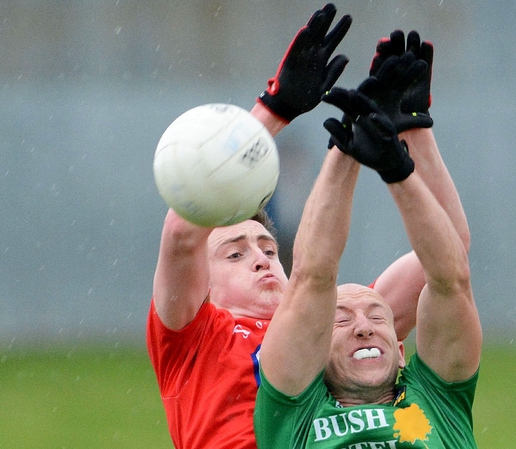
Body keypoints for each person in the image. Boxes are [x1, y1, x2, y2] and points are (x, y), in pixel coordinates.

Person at [146, 3, 465, 446]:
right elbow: (183, 232)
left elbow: (449, 256)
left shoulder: (335, 321)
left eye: (268, 249)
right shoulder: (194, 338)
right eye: (235, 253)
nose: (260, 258)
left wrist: (412, 130)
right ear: (203, 285)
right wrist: (275, 109)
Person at [253, 57, 482, 447]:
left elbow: (450, 278)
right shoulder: (294, 415)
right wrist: (345, 149)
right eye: (340, 322)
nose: (364, 326)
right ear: (314, 359)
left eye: (379, 316)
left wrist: (399, 169)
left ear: (401, 351)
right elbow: (312, 276)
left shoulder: (436, 401)